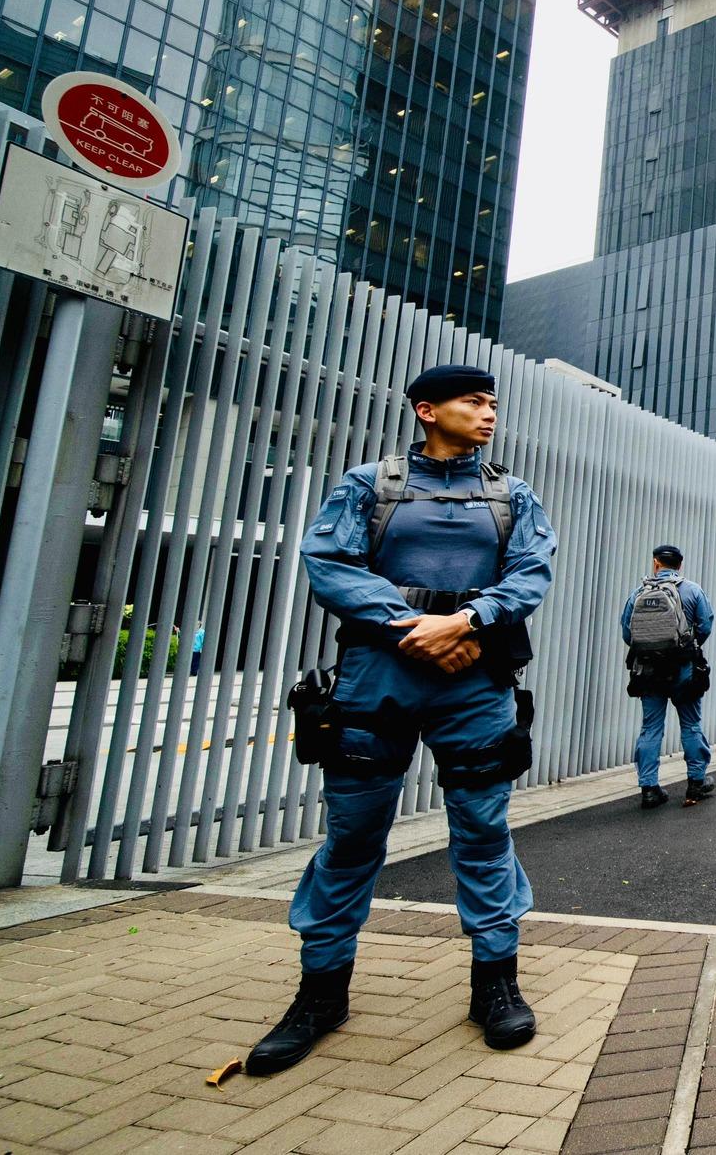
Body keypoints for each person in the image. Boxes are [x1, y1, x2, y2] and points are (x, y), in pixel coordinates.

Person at [247, 364, 557, 1076]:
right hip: (377, 678)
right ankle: (321, 995)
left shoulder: (514, 495)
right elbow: (328, 562)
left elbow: (533, 572)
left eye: (492, 404)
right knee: (352, 836)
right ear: (427, 410)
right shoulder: (368, 485)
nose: (488, 415)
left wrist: (467, 620)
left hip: (476, 682)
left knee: (484, 829)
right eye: (472, 403)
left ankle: (495, 983)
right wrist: (414, 628)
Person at [623, 546, 715, 809]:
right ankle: (696, 781)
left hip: (649, 672)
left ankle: (649, 787)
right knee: (690, 724)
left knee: (650, 728)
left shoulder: (639, 593)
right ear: (680, 565)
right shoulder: (693, 590)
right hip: (683, 669)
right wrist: (687, 646)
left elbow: (627, 634)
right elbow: (706, 625)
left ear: (656, 563)